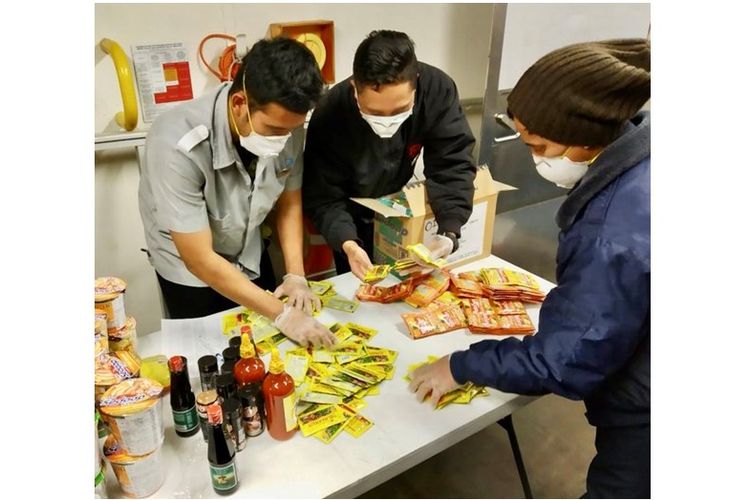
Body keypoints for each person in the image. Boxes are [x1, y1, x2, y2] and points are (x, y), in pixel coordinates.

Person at [408, 39, 651, 498]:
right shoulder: (644, 151)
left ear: (584, 138)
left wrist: (462, 364)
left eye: (539, 144)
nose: (533, 155)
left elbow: (571, 358)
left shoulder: (611, 231)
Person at [138, 37, 335, 348]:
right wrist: (282, 313)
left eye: (292, 129)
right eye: (273, 130)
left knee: (268, 349)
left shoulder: (288, 125)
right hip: (191, 270)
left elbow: (289, 203)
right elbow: (200, 259)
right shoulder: (177, 142)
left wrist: (295, 274)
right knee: (209, 358)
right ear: (240, 103)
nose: (284, 139)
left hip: (248, 250)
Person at [302, 30, 477, 280]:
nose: (387, 122)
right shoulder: (331, 112)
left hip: (397, 211)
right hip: (350, 214)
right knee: (360, 288)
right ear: (355, 88)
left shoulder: (437, 90)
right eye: (373, 111)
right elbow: (323, 196)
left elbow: (453, 163)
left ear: (416, 82)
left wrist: (449, 232)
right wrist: (348, 244)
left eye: (400, 109)